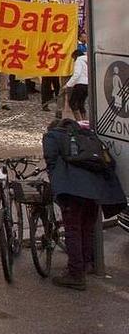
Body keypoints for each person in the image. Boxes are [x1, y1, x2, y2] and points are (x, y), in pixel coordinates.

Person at [43, 118, 126, 289]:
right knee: (86, 228)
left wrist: (57, 185)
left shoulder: (52, 136)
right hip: (95, 189)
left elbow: (51, 162)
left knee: (73, 229)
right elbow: (107, 161)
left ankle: (75, 274)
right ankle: (87, 263)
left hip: (72, 189)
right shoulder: (87, 135)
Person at [66, 49, 89, 120]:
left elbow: (77, 74)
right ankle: (85, 120)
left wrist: (68, 85)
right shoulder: (88, 60)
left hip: (80, 84)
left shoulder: (79, 60)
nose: (74, 60)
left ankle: (79, 121)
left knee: (72, 103)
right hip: (87, 85)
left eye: (73, 58)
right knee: (81, 103)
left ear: (76, 56)